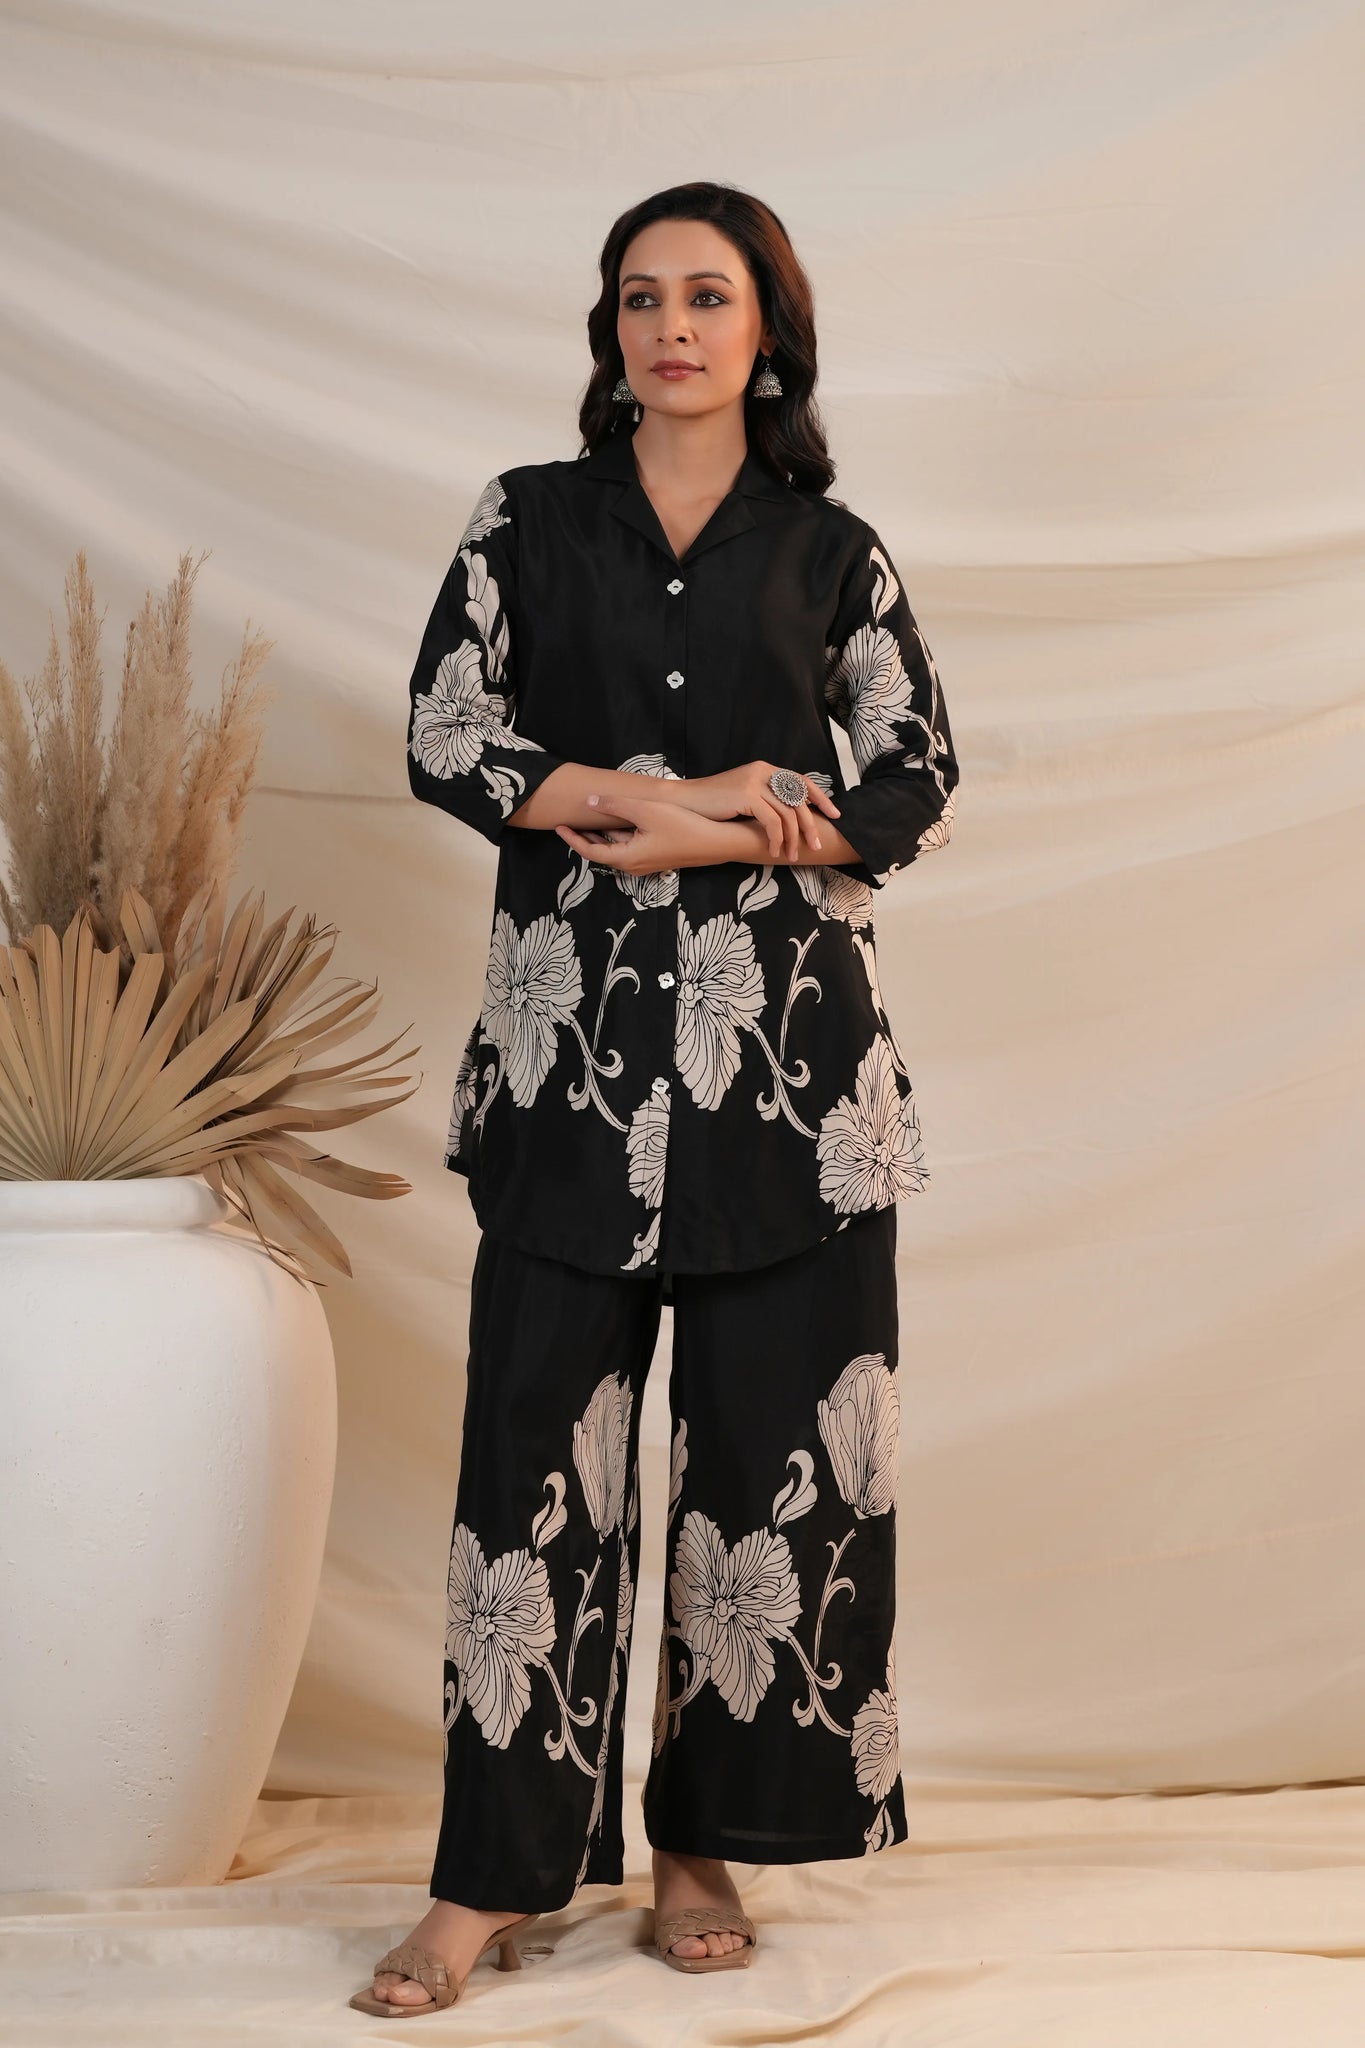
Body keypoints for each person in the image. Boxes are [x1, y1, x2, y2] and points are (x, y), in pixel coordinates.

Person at [352, 179, 959, 2016]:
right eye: (640, 297)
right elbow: (447, 730)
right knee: (528, 1478)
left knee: (765, 1476)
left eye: (706, 297)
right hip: (571, 1074)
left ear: (766, 332)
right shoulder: (528, 520)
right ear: (608, 331)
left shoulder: (830, 551)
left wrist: (707, 834)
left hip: (793, 1091)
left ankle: (706, 1846)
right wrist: (651, 799)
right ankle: (486, 1880)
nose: (671, 327)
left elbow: (913, 777)